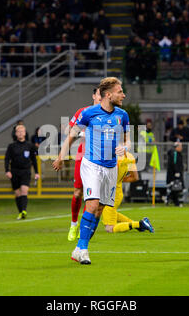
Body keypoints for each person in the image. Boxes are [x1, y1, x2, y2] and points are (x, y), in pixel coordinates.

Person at [52, 77, 130, 265]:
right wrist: (60, 157)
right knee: (92, 205)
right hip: (92, 165)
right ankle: (84, 250)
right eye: (120, 91)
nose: (123, 94)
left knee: (100, 209)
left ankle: (79, 248)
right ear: (108, 94)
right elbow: (71, 137)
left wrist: (125, 148)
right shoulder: (88, 113)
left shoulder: (122, 115)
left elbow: (128, 139)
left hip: (111, 167)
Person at [67, 87, 102, 241]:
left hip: (101, 158)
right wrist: (82, 133)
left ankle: (85, 228)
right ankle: (74, 224)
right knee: (78, 192)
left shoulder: (110, 113)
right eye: (99, 94)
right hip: (84, 156)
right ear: (93, 95)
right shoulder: (84, 112)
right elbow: (70, 130)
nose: (101, 97)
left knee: (96, 199)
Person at [102, 151, 154, 234]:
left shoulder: (110, 155)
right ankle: (139, 224)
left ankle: (139, 224)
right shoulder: (129, 157)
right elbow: (135, 177)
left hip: (110, 194)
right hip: (117, 192)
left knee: (109, 228)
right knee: (108, 212)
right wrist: (119, 180)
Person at [5, 124, 40, 220]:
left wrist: (36, 172)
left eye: (22, 131)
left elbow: (34, 160)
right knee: (17, 193)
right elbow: (7, 159)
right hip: (14, 171)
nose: (20, 133)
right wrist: (7, 170)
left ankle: (24, 210)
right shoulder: (11, 146)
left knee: (24, 190)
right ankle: (20, 212)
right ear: (16, 134)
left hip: (26, 171)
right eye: (18, 131)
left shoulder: (30, 146)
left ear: (25, 133)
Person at [166, 141, 184, 207]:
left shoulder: (177, 153)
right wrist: (177, 172)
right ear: (177, 147)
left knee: (174, 188)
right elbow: (174, 163)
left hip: (174, 173)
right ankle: (175, 202)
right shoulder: (175, 153)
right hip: (174, 174)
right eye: (180, 146)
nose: (181, 148)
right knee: (175, 188)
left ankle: (168, 199)